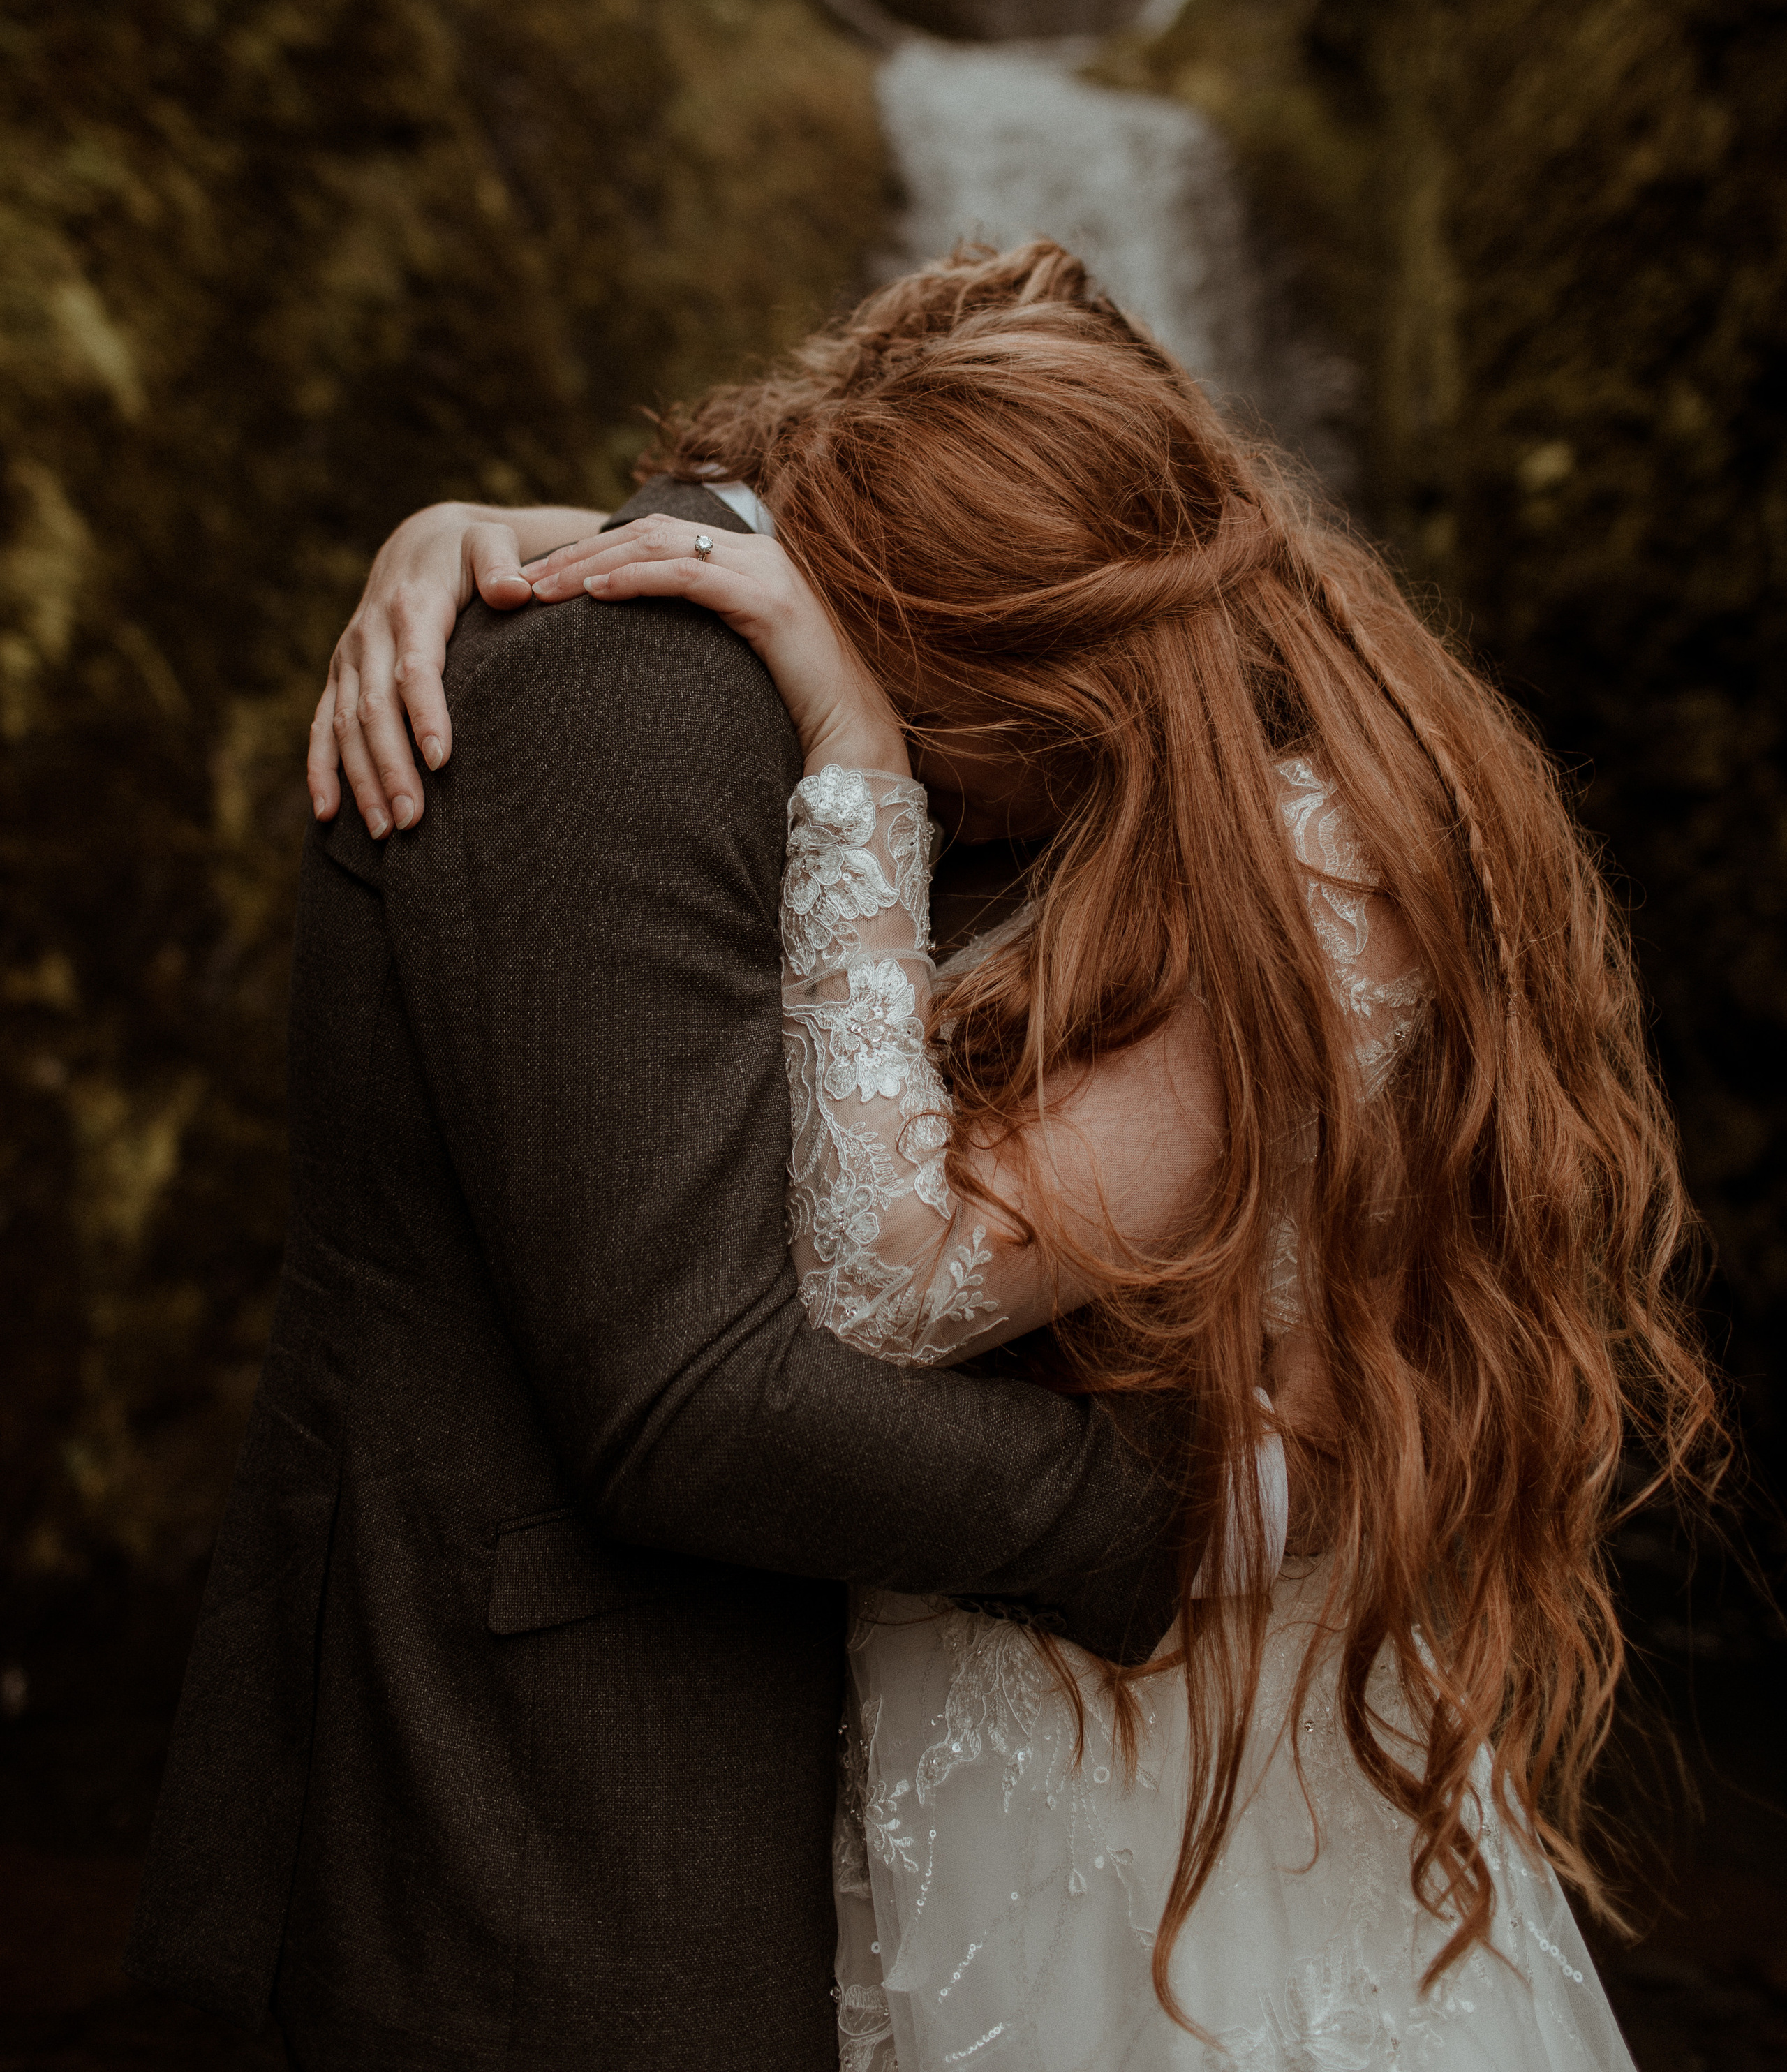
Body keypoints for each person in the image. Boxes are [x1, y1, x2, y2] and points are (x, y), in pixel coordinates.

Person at [294, 242, 1716, 2066]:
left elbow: (884, 1279)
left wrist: (853, 752)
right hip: (950, 1735)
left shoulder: (1316, 869)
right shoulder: (1155, 797)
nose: (952, 777)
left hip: (1139, 1759)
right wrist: (498, 547)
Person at [122, 253, 1204, 2071]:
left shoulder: (766, 681)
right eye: (1083, 687)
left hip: (683, 1764)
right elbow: (689, 1401)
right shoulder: (628, 695)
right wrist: (1175, 1525)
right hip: (520, 1811)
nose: (1103, 765)